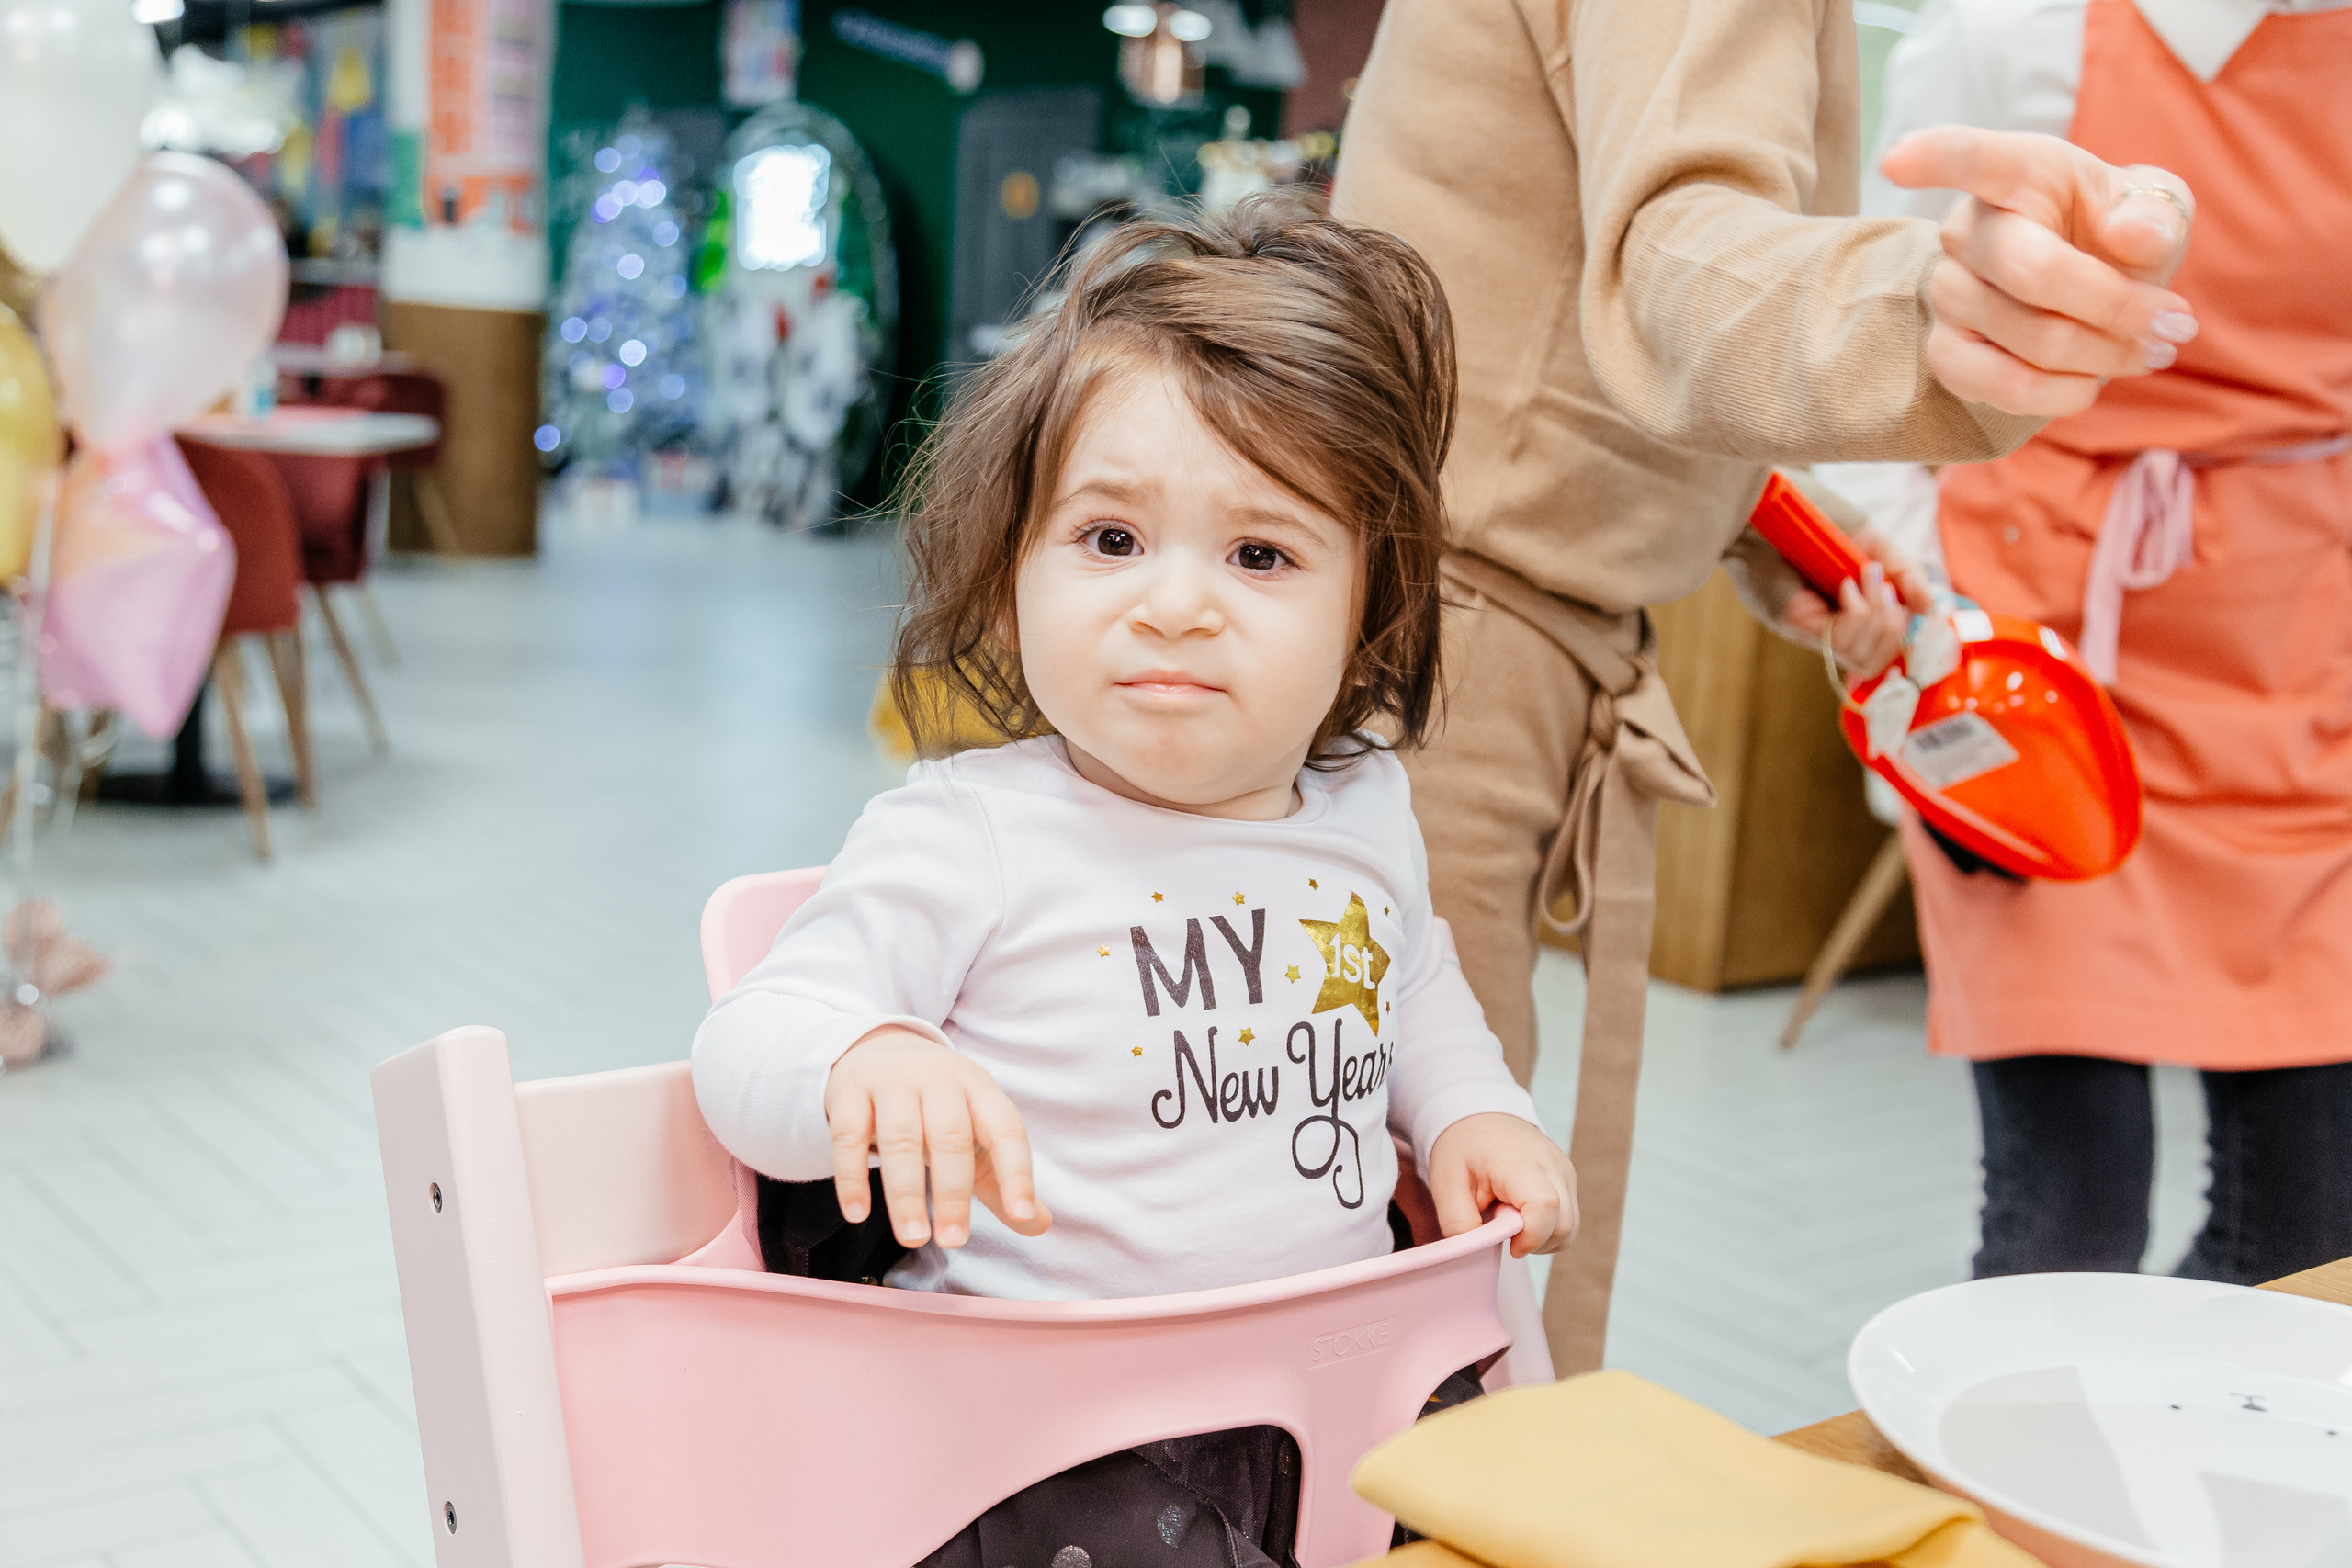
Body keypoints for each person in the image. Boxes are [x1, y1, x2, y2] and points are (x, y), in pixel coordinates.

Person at [692, 193, 1571, 1568]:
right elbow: (745, 1046)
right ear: (1007, 578)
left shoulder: (1364, 812)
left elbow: (1415, 984)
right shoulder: (971, 835)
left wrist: (1471, 1110)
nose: (1174, 603)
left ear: (1368, 612)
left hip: (1337, 1398)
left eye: (1261, 554)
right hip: (1051, 1444)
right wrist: (861, 1054)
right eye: (1110, 540)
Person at [1329, 0, 2200, 1372]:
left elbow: (1541, 294)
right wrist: (1927, 307)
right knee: (1398, 1260)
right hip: (1460, 659)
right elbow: (1676, 261)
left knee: (1400, 1219)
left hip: (1446, 626)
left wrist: (1756, 525)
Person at [1857, 0, 2352, 1285]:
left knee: (2311, 1229)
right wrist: (1921, 677)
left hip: (2305, 683)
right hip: (2045, 685)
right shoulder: (2012, 42)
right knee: (2066, 1226)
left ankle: (2164, 1475)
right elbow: (1876, 374)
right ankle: (2016, 1481)